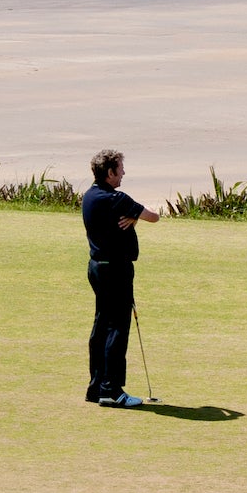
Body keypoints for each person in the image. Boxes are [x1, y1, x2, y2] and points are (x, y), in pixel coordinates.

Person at [81, 149, 159, 408]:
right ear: (110, 172)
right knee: (117, 327)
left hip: (97, 267)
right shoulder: (116, 198)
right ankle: (111, 390)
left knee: (102, 325)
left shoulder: (89, 196)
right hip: (115, 270)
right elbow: (154, 216)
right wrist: (136, 216)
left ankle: (96, 387)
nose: (123, 172)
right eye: (120, 169)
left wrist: (133, 217)